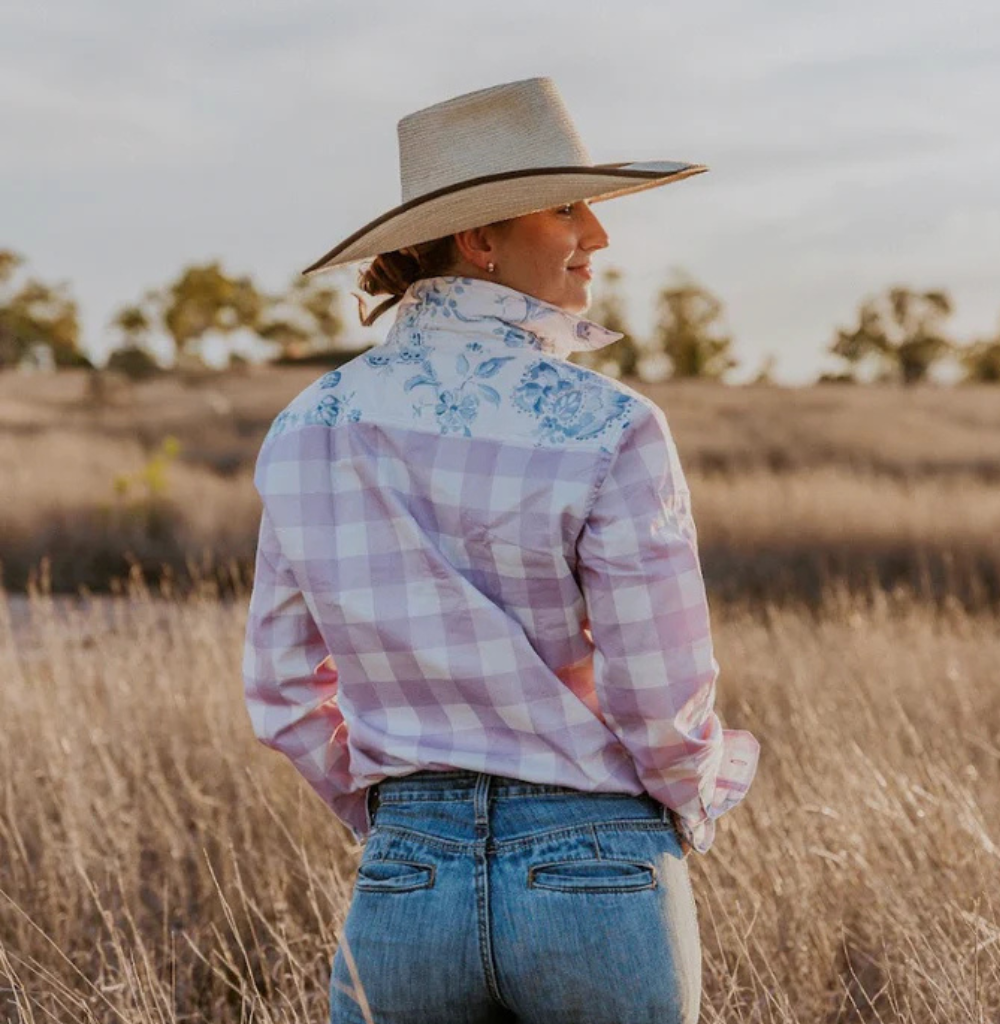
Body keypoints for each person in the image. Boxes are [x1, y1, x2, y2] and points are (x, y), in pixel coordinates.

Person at [242, 76, 759, 1024]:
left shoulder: (308, 425)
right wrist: (692, 797)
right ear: (480, 239)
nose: (597, 235)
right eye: (568, 206)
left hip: (404, 881)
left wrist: (405, 818)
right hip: (595, 863)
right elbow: (660, 694)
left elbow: (281, 691)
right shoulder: (611, 427)